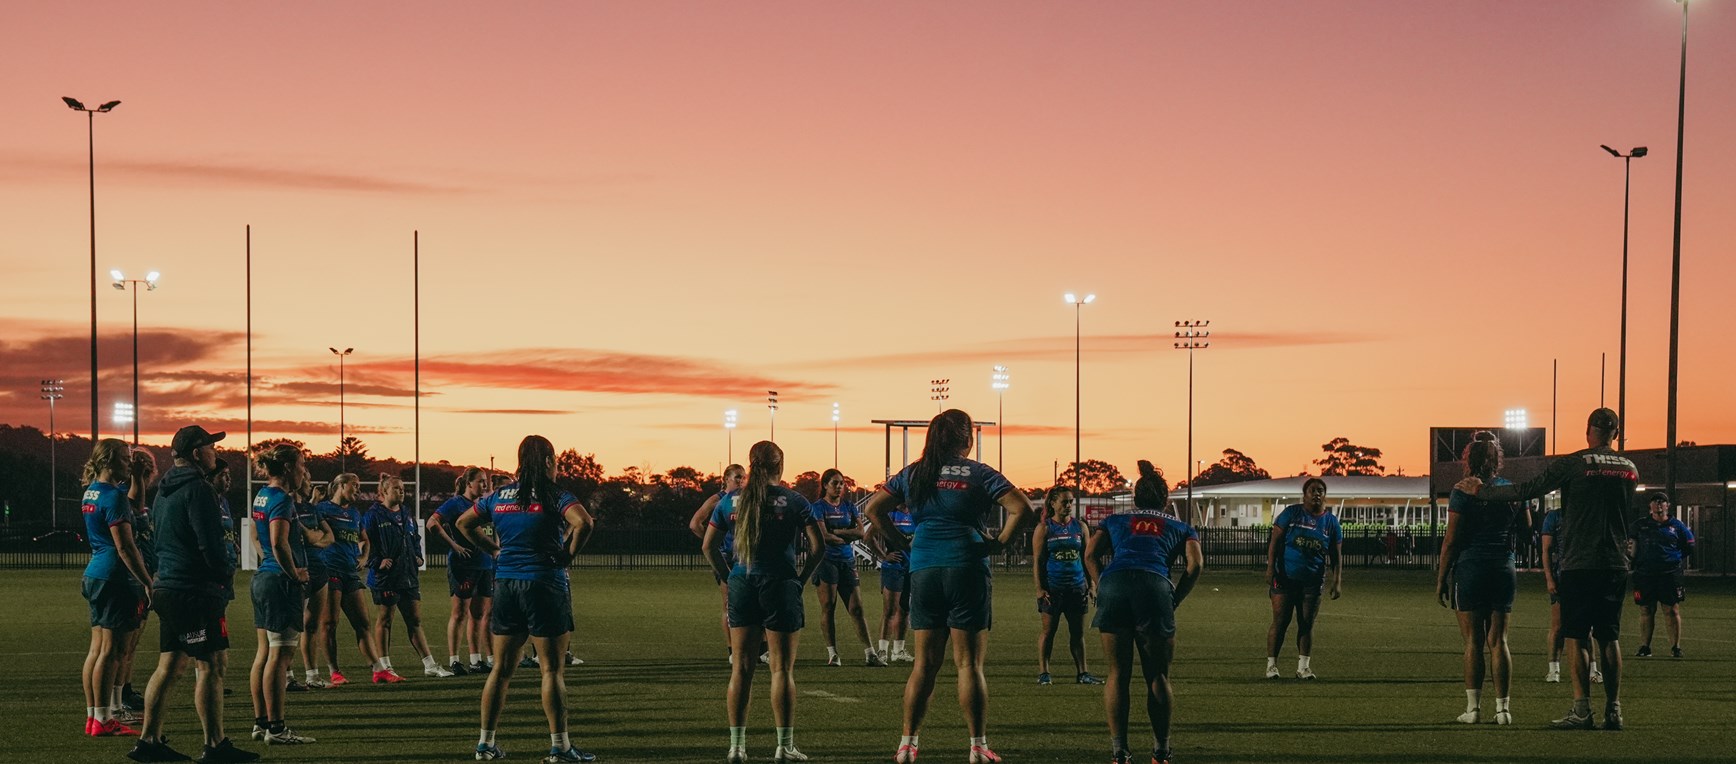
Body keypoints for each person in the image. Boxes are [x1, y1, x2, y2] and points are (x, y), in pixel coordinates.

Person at [862, 409, 1036, 764]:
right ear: (966, 439)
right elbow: (1023, 509)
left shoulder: (915, 472)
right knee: (969, 665)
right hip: (967, 566)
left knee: (924, 665)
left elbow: (874, 510)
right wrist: (1000, 543)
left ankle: (907, 745)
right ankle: (977, 747)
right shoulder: (979, 472)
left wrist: (902, 543)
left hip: (925, 568)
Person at [1457, 408, 1638, 731]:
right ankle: (1614, 709)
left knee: (1576, 636)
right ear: (1616, 433)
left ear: (1588, 431)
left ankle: (1581, 709)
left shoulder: (1575, 463)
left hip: (1580, 561)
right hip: (1615, 563)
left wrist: (1481, 491)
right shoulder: (1630, 468)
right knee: (1610, 638)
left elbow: (1529, 489)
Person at [457, 434, 598, 762]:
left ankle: (485, 744)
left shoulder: (499, 496)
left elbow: (464, 523)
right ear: (549, 461)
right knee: (551, 669)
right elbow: (584, 522)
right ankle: (560, 747)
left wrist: (493, 550)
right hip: (544, 584)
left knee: (501, 670)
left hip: (506, 585)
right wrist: (567, 554)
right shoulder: (554, 495)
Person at [127, 425, 259, 764]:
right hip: (195, 590)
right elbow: (211, 545)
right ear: (197, 453)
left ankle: (148, 742)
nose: (215, 452)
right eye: (211, 447)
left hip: (169, 587)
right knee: (212, 664)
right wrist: (223, 573)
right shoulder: (200, 489)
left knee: (169, 665)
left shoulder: (164, 489)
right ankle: (215, 746)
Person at [706, 441, 825, 763]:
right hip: (780, 583)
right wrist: (800, 580)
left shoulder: (730, 500)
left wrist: (729, 576)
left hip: (743, 582)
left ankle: (736, 747)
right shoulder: (796, 501)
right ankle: (784, 746)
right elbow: (818, 546)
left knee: (741, 669)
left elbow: (708, 545)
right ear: (780, 466)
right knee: (781, 670)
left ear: (752, 464)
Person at [1084, 461, 1202, 764]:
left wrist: (1101, 584)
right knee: (1158, 676)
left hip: (1115, 586)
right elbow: (1195, 565)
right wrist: (1176, 597)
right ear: (1165, 500)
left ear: (1135, 498)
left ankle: (1119, 751)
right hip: (1154, 588)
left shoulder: (1115, 520)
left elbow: (1090, 554)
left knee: (1117, 674)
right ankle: (1161, 751)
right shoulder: (1180, 526)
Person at [1435, 432, 1527, 725]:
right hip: (1503, 566)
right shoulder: (1510, 489)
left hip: (1471, 567)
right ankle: (1503, 710)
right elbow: (1526, 528)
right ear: (1496, 460)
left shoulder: (1461, 490)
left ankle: (1473, 709)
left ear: (1468, 459)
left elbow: (1451, 540)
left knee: (1473, 641)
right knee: (1499, 641)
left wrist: (1441, 578)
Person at [245, 444, 319, 745]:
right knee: (280, 655)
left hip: (264, 578)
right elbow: (278, 542)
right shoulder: (281, 499)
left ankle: (262, 723)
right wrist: (295, 573)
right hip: (279, 582)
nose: (304, 469)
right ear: (288, 467)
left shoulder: (262, 494)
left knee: (265, 654)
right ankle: (276, 729)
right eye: (301, 463)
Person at [79, 438, 152, 737]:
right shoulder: (112, 496)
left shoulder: (93, 491)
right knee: (112, 651)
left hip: (96, 573)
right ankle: (104, 719)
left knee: (97, 649)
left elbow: (136, 505)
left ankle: (94, 716)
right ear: (108, 460)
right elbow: (126, 546)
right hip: (115, 577)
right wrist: (147, 581)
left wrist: (136, 477)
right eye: (125, 458)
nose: (129, 462)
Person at [364, 474, 453, 678]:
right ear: (384, 492)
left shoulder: (405, 512)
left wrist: (418, 556)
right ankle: (385, 666)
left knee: (414, 620)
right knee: (385, 620)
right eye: (396, 488)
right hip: (385, 578)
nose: (401, 491)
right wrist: (377, 562)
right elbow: (364, 543)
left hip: (408, 575)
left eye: (403, 488)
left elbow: (415, 537)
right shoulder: (373, 515)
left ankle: (429, 665)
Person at [316, 473, 396, 685]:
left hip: (350, 573)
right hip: (329, 570)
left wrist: (364, 557)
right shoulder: (322, 509)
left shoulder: (353, 513)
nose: (358, 490)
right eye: (355, 486)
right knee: (330, 623)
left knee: (362, 622)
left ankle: (378, 670)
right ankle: (334, 671)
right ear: (341, 486)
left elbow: (364, 540)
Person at [1264, 477, 1342, 680]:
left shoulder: (1331, 522)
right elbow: (1274, 541)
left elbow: (1336, 554)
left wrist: (1337, 580)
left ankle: (1303, 667)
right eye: (1312, 490)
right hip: (1285, 577)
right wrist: (1271, 568)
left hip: (1313, 580)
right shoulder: (1292, 513)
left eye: (1320, 490)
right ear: (1305, 494)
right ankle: (1272, 666)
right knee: (1280, 621)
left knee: (1306, 623)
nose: (1317, 494)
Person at [810, 468, 881, 667]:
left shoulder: (849, 506)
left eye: (841, 483)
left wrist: (839, 532)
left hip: (847, 560)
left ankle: (870, 654)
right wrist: (841, 535)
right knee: (828, 607)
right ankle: (833, 654)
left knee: (857, 608)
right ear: (825, 485)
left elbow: (860, 532)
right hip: (827, 561)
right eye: (835, 483)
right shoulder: (818, 507)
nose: (840, 486)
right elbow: (823, 536)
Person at [427, 468, 495, 675]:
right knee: (459, 613)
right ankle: (454, 660)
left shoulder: (485, 505)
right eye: (481, 481)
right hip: (463, 565)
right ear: (468, 483)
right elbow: (432, 522)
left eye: (486, 482)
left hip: (485, 565)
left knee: (478, 613)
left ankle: (476, 659)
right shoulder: (456, 503)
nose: (485, 485)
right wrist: (453, 545)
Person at [1032, 486, 1098, 686]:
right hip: (1053, 589)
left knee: (1077, 633)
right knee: (1048, 632)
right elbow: (1038, 561)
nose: (1069, 506)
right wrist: (1040, 589)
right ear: (1053, 503)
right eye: (1064, 502)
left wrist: (1091, 585)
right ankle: (1044, 673)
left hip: (1076, 588)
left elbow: (1088, 558)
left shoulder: (1080, 527)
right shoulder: (1045, 528)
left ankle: (1083, 673)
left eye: (1070, 502)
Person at [688, 464, 747, 663]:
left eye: (743, 477)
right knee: (729, 603)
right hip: (726, 558)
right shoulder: (718, 500)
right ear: (726, 479)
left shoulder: (745, 499)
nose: (741, 481)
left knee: (752, 602)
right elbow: (695, 523)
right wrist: (712, 542)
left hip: (744, 557)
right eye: (737, 477)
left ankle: (760, 649)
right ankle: (732, 651)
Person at [117, 447, 160, 716]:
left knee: (132, 643)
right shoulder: (126, 496)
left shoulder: (142, 500)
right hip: (133, 579)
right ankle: (118, 693)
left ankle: (126, 688)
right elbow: (135, 500)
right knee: (122, 645)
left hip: (145, 576)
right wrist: (137, 476)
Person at [1630, 491, 1693, 659]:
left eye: (1662, 501)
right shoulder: (1640, 525)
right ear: (1649, 506)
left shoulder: (1677, 526)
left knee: (1671, 609)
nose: (1658, 504)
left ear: (1667, 506)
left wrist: (1673, 559)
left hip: (1669, 574)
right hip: (1645, 574)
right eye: (1655, 501)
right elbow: (1631, 546)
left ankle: (1675, 647)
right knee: (1646, 609)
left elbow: (1689, 546)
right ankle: (1645, 646)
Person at [294, 484, 334, 691]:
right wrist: (315, 536)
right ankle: (287, 675)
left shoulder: (313, 509)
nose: (308, 483)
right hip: (298, 570)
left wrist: (316, 541)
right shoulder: (286, 505)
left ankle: (312, 675)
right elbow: (312, 536)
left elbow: (330, 536)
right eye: (306, 477)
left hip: (319, 569)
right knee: (292, 626)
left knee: (312, 625)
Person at [874, 507, 916, 664]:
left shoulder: (915, 513)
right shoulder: (889, 514)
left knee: (905, 609)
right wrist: (884, 556)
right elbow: (869, 536)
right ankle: (882, 651)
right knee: (890, 610)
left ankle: (898, 651)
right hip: (894, 568)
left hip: (911, 567)